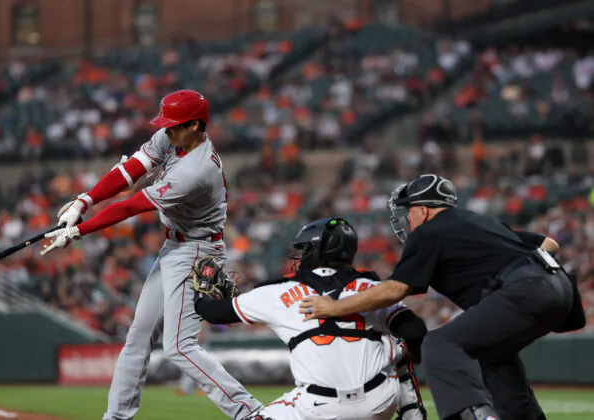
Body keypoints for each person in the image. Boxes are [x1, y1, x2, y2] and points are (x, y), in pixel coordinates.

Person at [41, 90, 262, 420]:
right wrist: (84, 201)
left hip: (199, 252)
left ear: (197, 125)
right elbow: (130, 171)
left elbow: (132, 205)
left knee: (179, 347)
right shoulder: (173, 137)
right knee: (138, 337)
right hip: (174, 246)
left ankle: (251, 413)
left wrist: (78, 231)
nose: (168, 131)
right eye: (167, 125)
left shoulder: (196, 171)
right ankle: (116, 417)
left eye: (175, 126)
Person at [299, 174, 586, 420]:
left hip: (527, 288)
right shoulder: (478, 222)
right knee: (495, 355)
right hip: (559, 289)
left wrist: (334, 307)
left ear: (423, 210)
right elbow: (550, 243)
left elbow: (394, 290)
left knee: (440, 344)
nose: (407, 217)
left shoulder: (428, 233)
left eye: (409, 210)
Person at [192, 217, 428, 420]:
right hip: (379, 403)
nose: (300, 256)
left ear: (317, 251)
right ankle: (411, 412)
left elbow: (212, 312)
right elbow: (416, 332)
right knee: (395, 349)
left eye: (304, 249)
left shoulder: (279, 291)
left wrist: (202, 291)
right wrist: (411, 354)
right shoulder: (374, 287)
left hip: (318, 406)